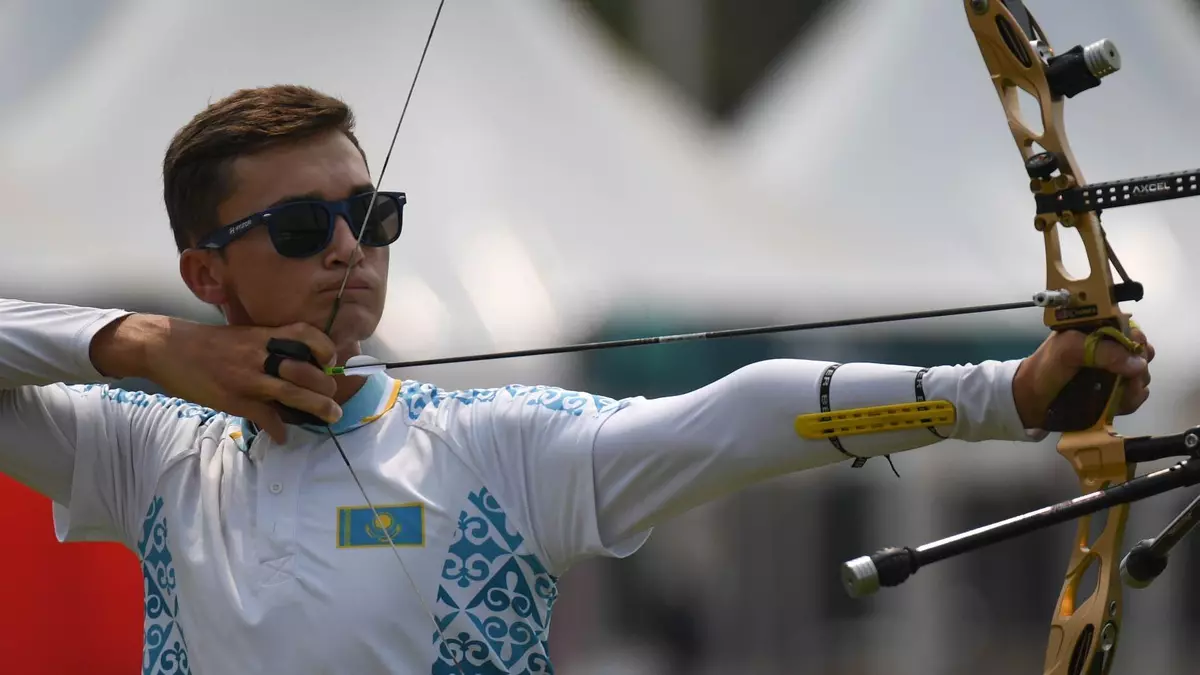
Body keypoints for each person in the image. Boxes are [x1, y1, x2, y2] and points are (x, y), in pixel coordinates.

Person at [0, 85, 1153, 675]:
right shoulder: (150, 451)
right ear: (206, 273)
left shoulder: (496, 447)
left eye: (371, 214)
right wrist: (145, 348)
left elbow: (743, 414)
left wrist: (1004, 393)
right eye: (305, 227)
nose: (350, 249)